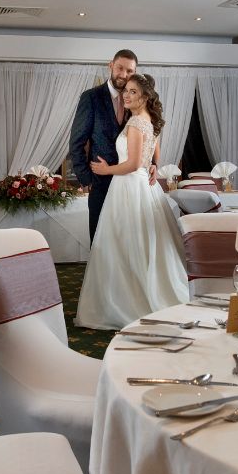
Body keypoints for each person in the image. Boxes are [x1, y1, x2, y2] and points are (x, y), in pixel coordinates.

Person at [75, 74, 189, 330]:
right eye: (126, 91)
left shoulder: (137, 122)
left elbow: (134, 164)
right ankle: (133, 291)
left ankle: (126, 299)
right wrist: (153, 166)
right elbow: (152, 157)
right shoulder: (149, 122)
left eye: (133, 92)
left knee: (123, 242)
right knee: (135, 243)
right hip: (141, 187)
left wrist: (106, 170)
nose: (126, 95)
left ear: (145, 97)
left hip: (128, 186)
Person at [69, 49, 138, 241]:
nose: (124, 75)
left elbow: (150, 135)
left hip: (129, 184)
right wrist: (86, 179)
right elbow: (76, 142)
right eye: (120, 68)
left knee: (127, 242)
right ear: (111, 66)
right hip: (100, 183)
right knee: (101, 241)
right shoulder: (90, 98)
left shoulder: (137, 102)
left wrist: (154, 164)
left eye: (130, 71)